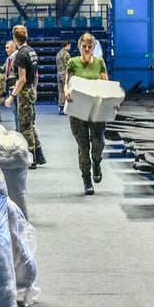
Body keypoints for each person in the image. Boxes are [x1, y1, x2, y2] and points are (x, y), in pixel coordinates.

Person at [64, 32, 109, 196]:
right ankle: (87, 180)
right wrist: (67, 92)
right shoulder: (72, 62)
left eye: (90, 47)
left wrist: (113, 101)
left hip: (96, 110)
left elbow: (106, 84)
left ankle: (97, 163)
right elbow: (66, 84)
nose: (87, 49)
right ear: (79, 47)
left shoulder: (100, 63)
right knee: (83, 147)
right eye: (84, 46)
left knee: (98, 144)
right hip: (78, 111)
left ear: (94, 47)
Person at [5, 25, 45, 169]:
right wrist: (33, 88)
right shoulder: (32, 52)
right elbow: (36, 75)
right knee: (30, 125)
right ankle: (39, 155)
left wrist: (12, 96)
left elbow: (21, 78)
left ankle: (31, 158)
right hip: (31, 89)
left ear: (15, 38)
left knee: (25, 127)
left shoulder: (21, 54)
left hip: (24, 92)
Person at [3, 40, 19, 130]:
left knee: (19, 111)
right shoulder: (8, 59)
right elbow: (4, 70)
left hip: (16, 86)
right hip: (9, 85)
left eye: (7, 47)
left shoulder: (17, 57)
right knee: (15, 111)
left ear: (13, 48)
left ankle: (20, 130)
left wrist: (16, 83)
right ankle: (18, 129)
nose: (6, 49)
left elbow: (20, 72)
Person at [56, 41, 71, 115]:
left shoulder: (58, 53)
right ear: (67, 45)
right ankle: (64, 107)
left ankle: (60, 107)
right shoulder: (66, 54)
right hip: (65, 75)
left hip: (59, 74)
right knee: (66, 91)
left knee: (60, 91)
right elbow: (68, 66)